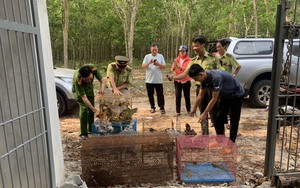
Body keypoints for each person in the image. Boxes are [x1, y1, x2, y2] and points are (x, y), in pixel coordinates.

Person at [168, 36, 224, 135]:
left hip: (212, 89)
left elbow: (221, 71)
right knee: (202, 112)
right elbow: (185, 73)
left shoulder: (212, 58)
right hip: (200, 89)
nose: (194, 48)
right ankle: (205, 135)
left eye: (196, 46)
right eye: (193, 46)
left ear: (203, 45)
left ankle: (220, 136)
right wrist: (173, 78)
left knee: (215, 113)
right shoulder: (193, 60)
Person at [188, 64, 245, 142]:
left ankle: (231, 142)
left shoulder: (216, 78)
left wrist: (204, 113)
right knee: (218, 117)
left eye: (196, 79)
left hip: (236, 95)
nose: (196, 81)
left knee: (234, 119)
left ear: (200, 74)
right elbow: (200, 95)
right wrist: (194, 108)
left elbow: (214, 99)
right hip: (225, 95)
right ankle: (220, 139)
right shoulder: (204, 79)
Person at [72, 64, 106, 140]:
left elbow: (102, 81)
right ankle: (83, 132)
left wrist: (102, 90)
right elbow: (84, 97)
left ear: (91, 73)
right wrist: (95, 110)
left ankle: (91, 128)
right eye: (87, 80)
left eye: (91, 78)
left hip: (89, 89)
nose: (89, 80)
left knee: (91, 109)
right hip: (80, 92)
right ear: (82, 77)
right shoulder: (78, 81)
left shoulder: (93, 68)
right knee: (84, 109)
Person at [216, 40, 241, 129]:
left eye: (219, 47)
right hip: (218, 83)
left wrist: (234, 75)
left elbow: (238, 66)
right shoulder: (215, 57)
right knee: (219, 103)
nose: (218, 48)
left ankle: (230, 122)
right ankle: (221, 121)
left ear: (224, 47)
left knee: (229, 104)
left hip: (227, 84)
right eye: (217, 47)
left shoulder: (229, 57)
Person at [142, 43, 166, 114]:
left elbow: (164, 67)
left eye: (155, 50)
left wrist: (158, 64)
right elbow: (143, 66)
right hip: (149, 80)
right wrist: (149, 63)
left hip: (158, 80)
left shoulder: (160, 56)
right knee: (150, 95)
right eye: (153, 50)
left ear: (157, 49)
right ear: (150, 50)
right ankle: (152, 107)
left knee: (160, 95)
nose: (154, 51)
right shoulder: (147, 56)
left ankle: (162, 107)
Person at [171, 45, 191, 116]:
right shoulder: (176, 59)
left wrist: (178, 66)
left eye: (183, 51)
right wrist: (174, 66)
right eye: (180, 51)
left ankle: (189, 110)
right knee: (177, 96)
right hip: (177, 80)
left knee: (187, 96)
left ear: (186, 52)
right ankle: (177, 111)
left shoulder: (189, 60)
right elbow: (172, 69)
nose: (181, 53)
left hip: (186, 80)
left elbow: (187, 69)